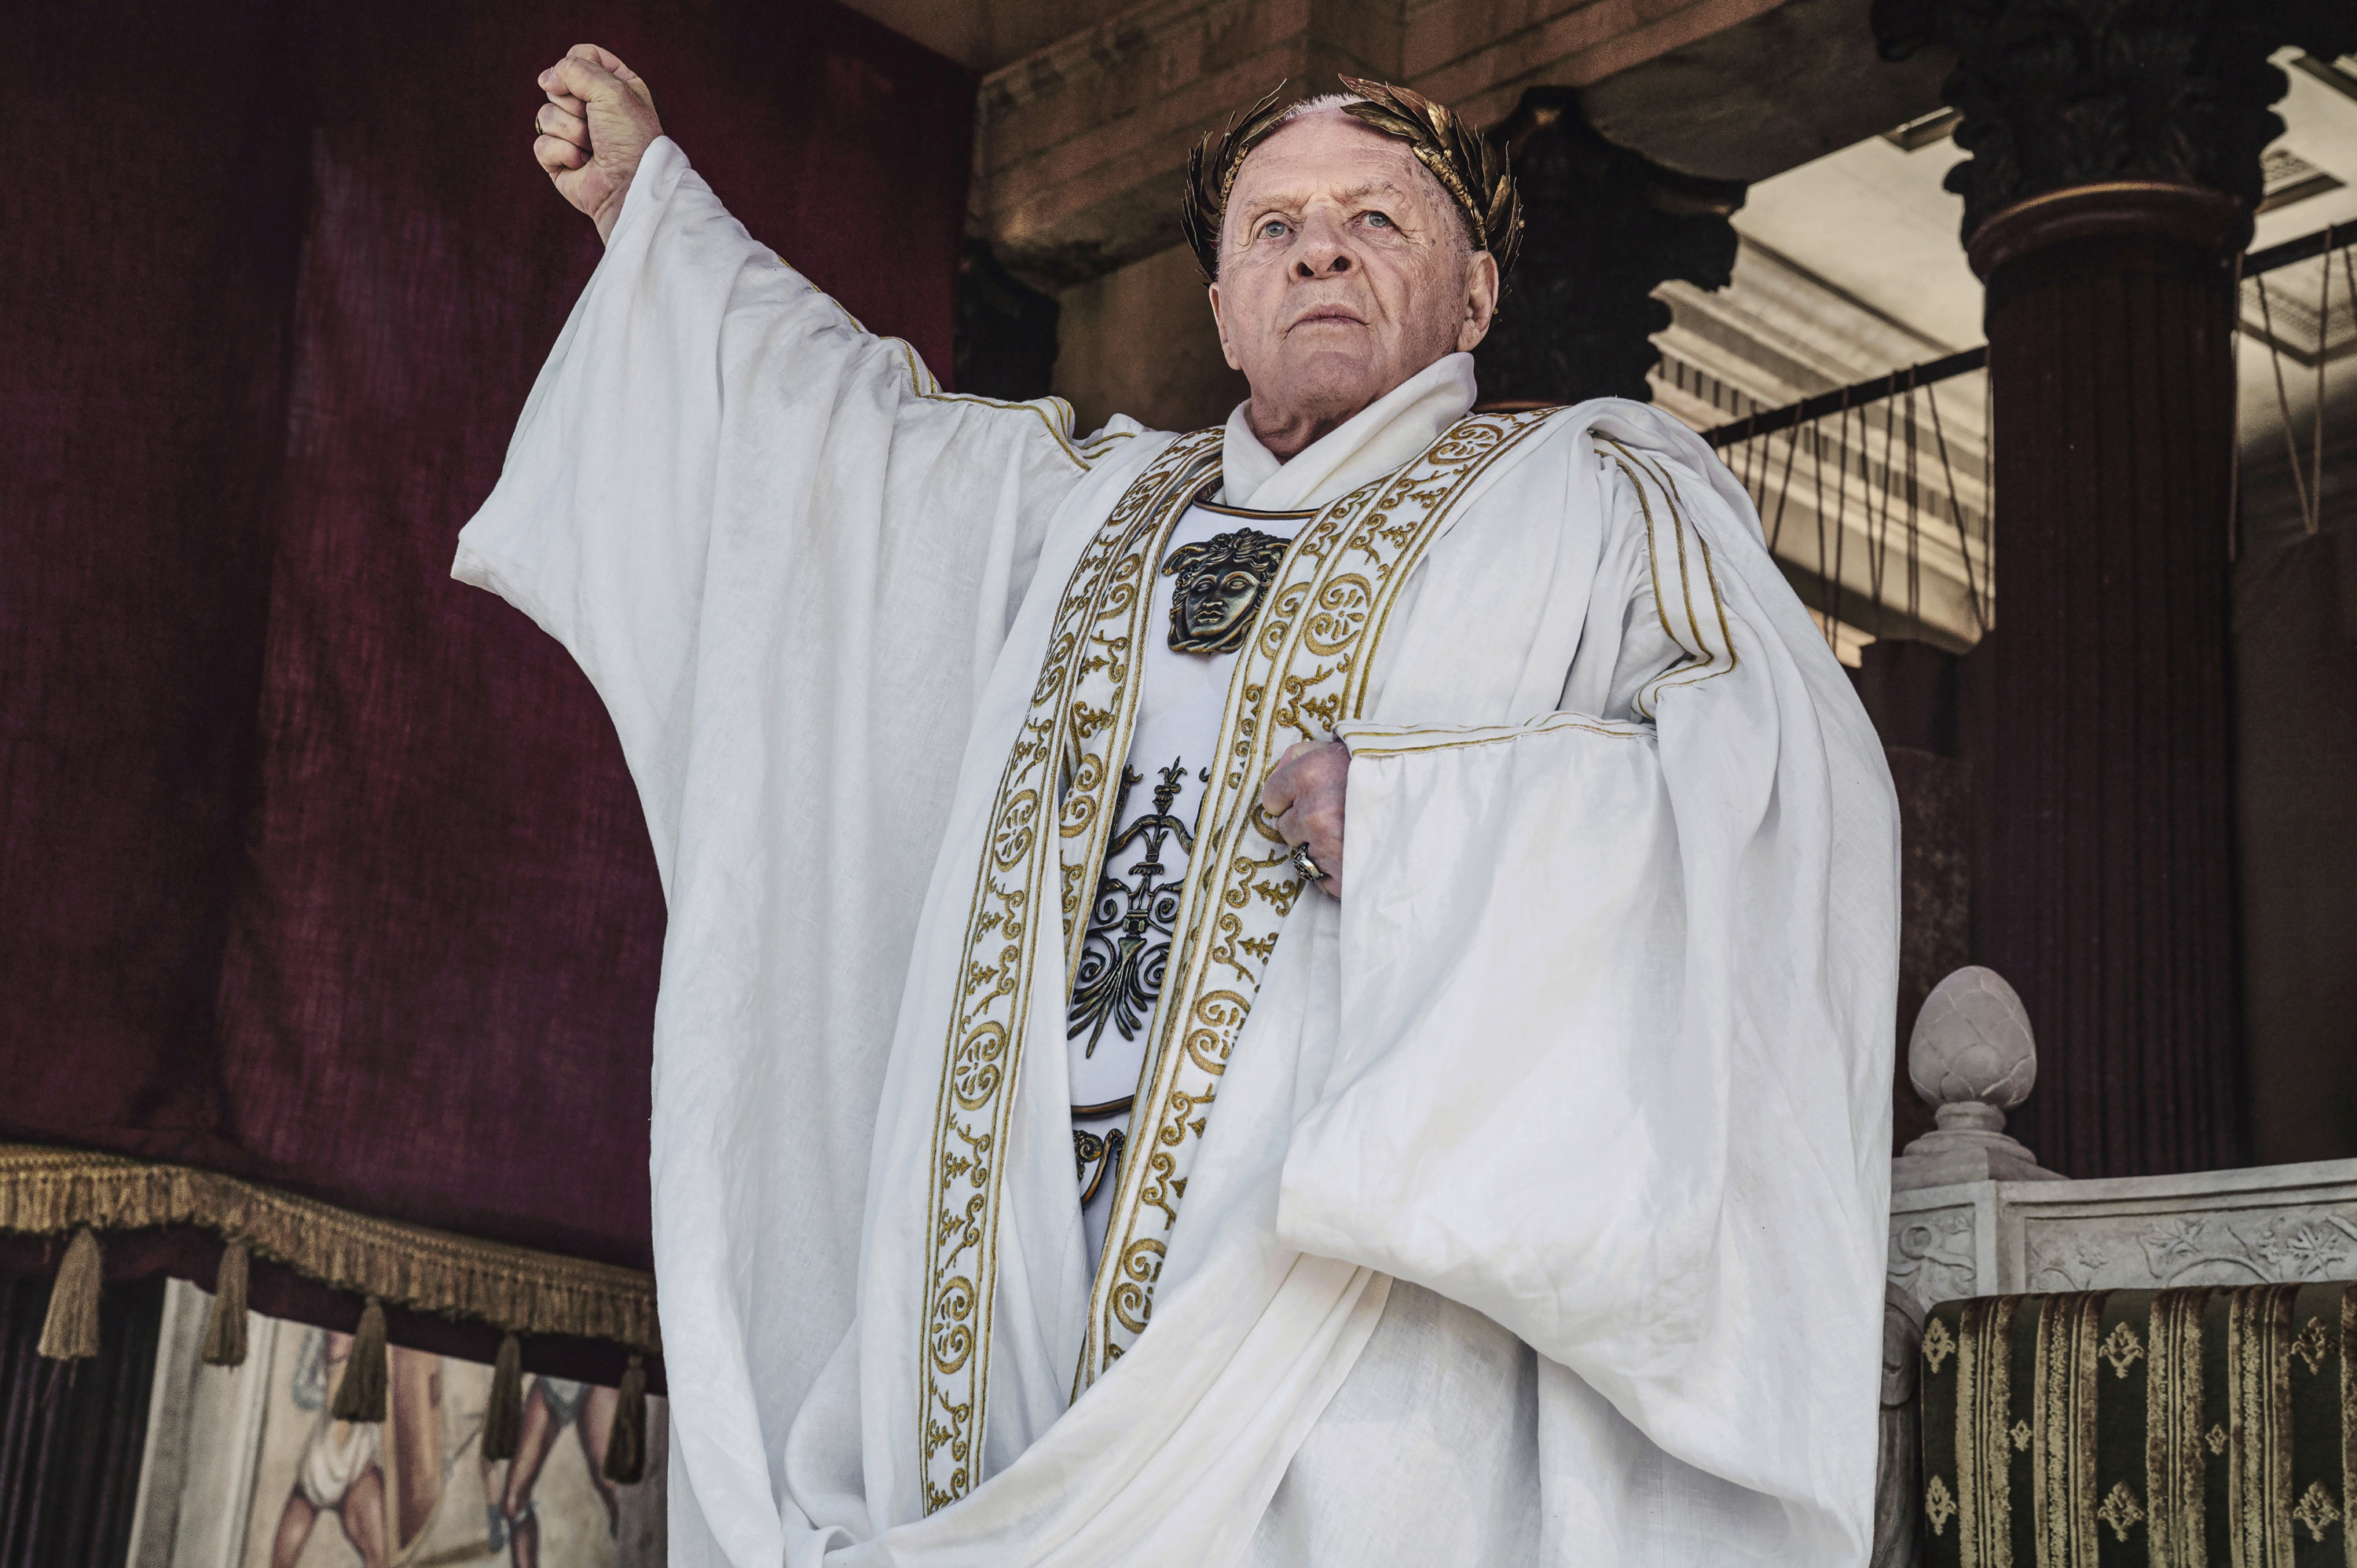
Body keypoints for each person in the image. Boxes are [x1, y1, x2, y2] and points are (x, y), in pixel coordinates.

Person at [460, 43, 1900, 1566]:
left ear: (1477, 295)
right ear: (1219, 308)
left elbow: (1779, 804)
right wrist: (656, 216)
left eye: (1375, 218)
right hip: (1013, 1313)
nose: (1319, 250)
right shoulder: (1088, 508)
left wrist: (1436, 829)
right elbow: (846, 443)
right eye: (1274, 227)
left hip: (1347, 1347)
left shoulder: (1591, 501)